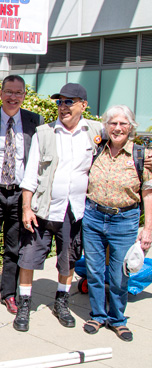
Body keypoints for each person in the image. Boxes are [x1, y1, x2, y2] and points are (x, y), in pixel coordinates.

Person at [14, 83, 102, 332]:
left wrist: (144, 154)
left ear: (83, 105)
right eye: (59, 102)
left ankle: (61, 302)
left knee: (68, 261)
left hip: (74, 211)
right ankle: (24, 304)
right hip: (43, 210)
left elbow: (122, 133)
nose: (62, 107)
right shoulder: (45, 132)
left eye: (69, 101)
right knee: (28, 260)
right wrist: (26, 209)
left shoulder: (93, 131)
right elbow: (31, 174)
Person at [0, 75, 45, 320]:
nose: (13, 97)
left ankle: (9, 294)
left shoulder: (35, 121)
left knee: (14, 248)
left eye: (18, 93)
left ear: (24, 95)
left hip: (20, 194)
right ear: (0, 93)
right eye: (9, 92)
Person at [82, 105, 152, 342]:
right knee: (93, 270)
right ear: (106, 126)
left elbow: (148, 193)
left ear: (131, 126)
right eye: (113, 123)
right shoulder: (97, 148)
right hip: (93, 217)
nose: (118, 128)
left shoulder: (140, 155)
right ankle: (98, 315)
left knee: (119, 274)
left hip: (124, 220)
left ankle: (118, 319)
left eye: (123, 123)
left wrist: (148, 229)